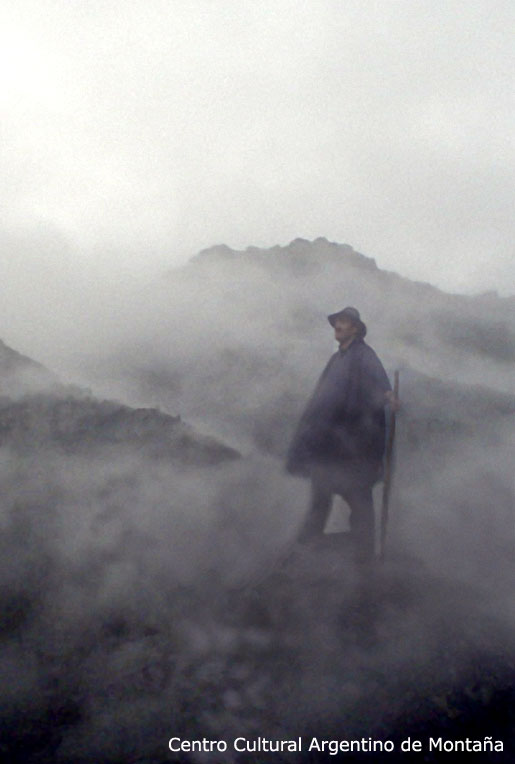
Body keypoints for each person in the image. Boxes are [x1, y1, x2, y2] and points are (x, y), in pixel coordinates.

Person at [286, 307, 397, 561]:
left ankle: (364, 556)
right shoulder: (337, 360)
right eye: (336, 321)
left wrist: (389, 396)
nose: (338, 325)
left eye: (344, 322)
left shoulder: (363, 355)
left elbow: (378, 379)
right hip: (330, 443)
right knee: (321, 493)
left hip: (353, 444)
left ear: (355, 328)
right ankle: (306, 545)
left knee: (357, 496)